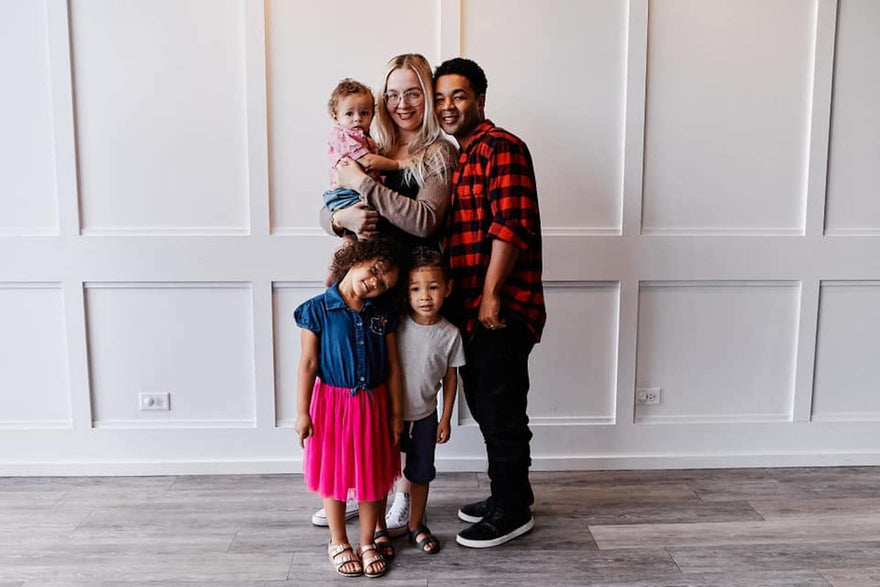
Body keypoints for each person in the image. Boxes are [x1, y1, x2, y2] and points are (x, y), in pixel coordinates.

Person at [314, 53, 458, 544]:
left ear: (428, 95)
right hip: (365, 285)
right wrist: (340, 219)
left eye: (413, 92)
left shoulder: (438, 154)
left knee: (407, 398)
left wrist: (364, 186)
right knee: (360, 386)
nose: (401, 103)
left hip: (413, 289)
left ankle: (399, 494)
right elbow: (328, 204)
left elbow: (424, 221)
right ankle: (355, 486)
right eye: (392, 94)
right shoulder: (366, 144)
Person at [433, 58, 546, 548]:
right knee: (485, 405)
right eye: (439, 98)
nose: (447, 106)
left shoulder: (501, 147)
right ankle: (509, 492)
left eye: (457, 95)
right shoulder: (462, 156)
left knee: (501, 411)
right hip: (471, 310)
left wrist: (491, 297)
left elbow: (510, 225)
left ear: (480, 98)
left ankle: (513, 510)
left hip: (500, 307)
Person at [294, 237, 406, 578]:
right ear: (356, 258)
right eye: (374, 271)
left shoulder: (381, 313)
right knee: (335, 474)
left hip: (374, 403)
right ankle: (338, 540)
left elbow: (393, 366)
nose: (376, 282)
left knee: (374, 475)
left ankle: (368, 541)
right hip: (331, 404)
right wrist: (302, 412)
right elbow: (309, 363)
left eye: (384, 283)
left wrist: (397, 413)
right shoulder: (316, 309)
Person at [392, 247, 465, 555]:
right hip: (390, 415)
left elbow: (451, 378)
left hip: (425, 417)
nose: (425, 296)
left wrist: (446, 417)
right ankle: (381, 528)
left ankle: (416, 524)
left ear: (447, 289)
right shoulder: (396, 326)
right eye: (416, 288)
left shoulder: (450, 334)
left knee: (422, 472)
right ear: (406, 292)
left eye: (433, 287)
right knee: (387, 471)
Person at [322, 78, 405, 241]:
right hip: (346, 194)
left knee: (364, 231)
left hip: (354, 192)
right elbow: (368, 161)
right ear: (335, 117)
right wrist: (398, 164)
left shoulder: (365, 138)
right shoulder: (344, 136)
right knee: (362, 230)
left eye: (364, 113)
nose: (357, 119)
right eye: (349, 113)